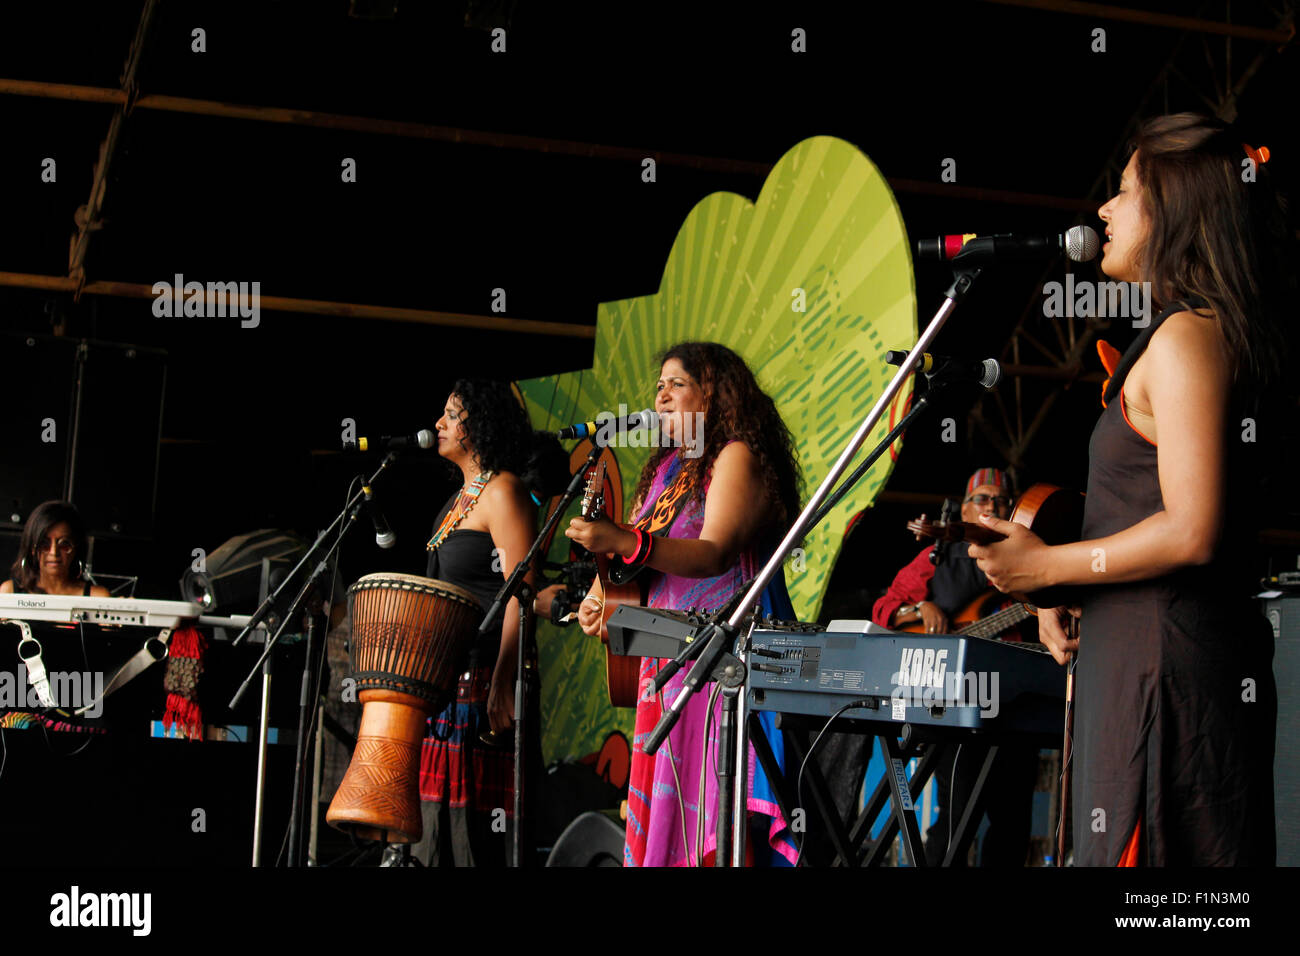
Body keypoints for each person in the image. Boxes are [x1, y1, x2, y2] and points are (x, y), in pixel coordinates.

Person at [969, 114, 1290, 866]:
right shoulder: (1191, 334)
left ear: (1174, 212)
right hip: (1146, 659)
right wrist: (1072, 591)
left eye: (1123, 193)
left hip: (1168, 673)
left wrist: (1048, 568)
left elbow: (1190, 529)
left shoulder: (1187, 339)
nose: (1104, 213)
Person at [567, 341, 802, 867]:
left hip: (725, 667)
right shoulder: (669, 471)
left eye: (677, 384)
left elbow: (713, 552)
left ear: (714, 392)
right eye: (658, 387)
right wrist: (603, 596)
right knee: (672, 828)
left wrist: (622, 541)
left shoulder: (735, 454)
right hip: (670, 666)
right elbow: (642, 557)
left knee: (717, 826)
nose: (662, 396)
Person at [871, 468, 1036, 867]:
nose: (992, 506)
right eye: (982, 498)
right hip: (956, 704)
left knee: (1014, 823)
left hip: (1016, 703)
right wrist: (918, 607)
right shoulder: (936, 555)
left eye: (1000, 500)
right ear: (962, 509)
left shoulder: (1028, 555)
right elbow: (882, 610)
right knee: (956, 817)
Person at [412, 379, 543, 867]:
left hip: (489, 678)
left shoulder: (503, 490)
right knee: (437, 829)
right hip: (450, 685)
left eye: (452, 413)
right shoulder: (454, 504)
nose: (439, 423)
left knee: (482, 834)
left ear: (481, 425)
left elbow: (520, 592)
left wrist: (505, 678)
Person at [2, 500, 110, 598]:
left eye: (64, 544)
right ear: (32, 548)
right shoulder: (9, 592)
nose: (54, 552)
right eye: (44, 544)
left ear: (76, 548)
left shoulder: (97, 597)